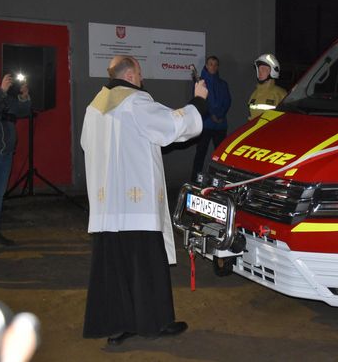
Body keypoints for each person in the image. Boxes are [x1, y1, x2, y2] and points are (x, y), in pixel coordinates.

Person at [81, 56, 207, 346]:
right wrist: (198, 101)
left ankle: (118, 326)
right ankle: (155, 323)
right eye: (139, 74)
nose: (142, 79)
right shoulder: (134, 101)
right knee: (145, 267)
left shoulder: (93, 107)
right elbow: (171, 125)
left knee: (115, 269)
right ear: (129, 75)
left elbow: (87, 145)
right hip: (136, 208)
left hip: (107, 210)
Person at [0, 61, 31, 256]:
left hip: (5, 154)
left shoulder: (3, 96)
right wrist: (1, 91)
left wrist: (24, 97)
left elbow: (22, 112)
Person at [191, 56, 231, 180]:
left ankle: (221, 182)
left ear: (217, 67)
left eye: (215, 64)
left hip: (220, 125)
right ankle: (194, 181)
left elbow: (227, 101)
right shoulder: (201, 83)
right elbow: (201, 101)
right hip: (206, 124)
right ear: (206, 66)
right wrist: (212, 115)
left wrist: (220, 115)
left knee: (221, 157)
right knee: (200, 154)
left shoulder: (223, 84)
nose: (213, 66)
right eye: (210, 64)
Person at [247, 53, 287, 120]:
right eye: (258, 69)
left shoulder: (280, 94)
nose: (260, 72)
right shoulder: (254, 94)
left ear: (273, 71)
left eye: (263, 69)